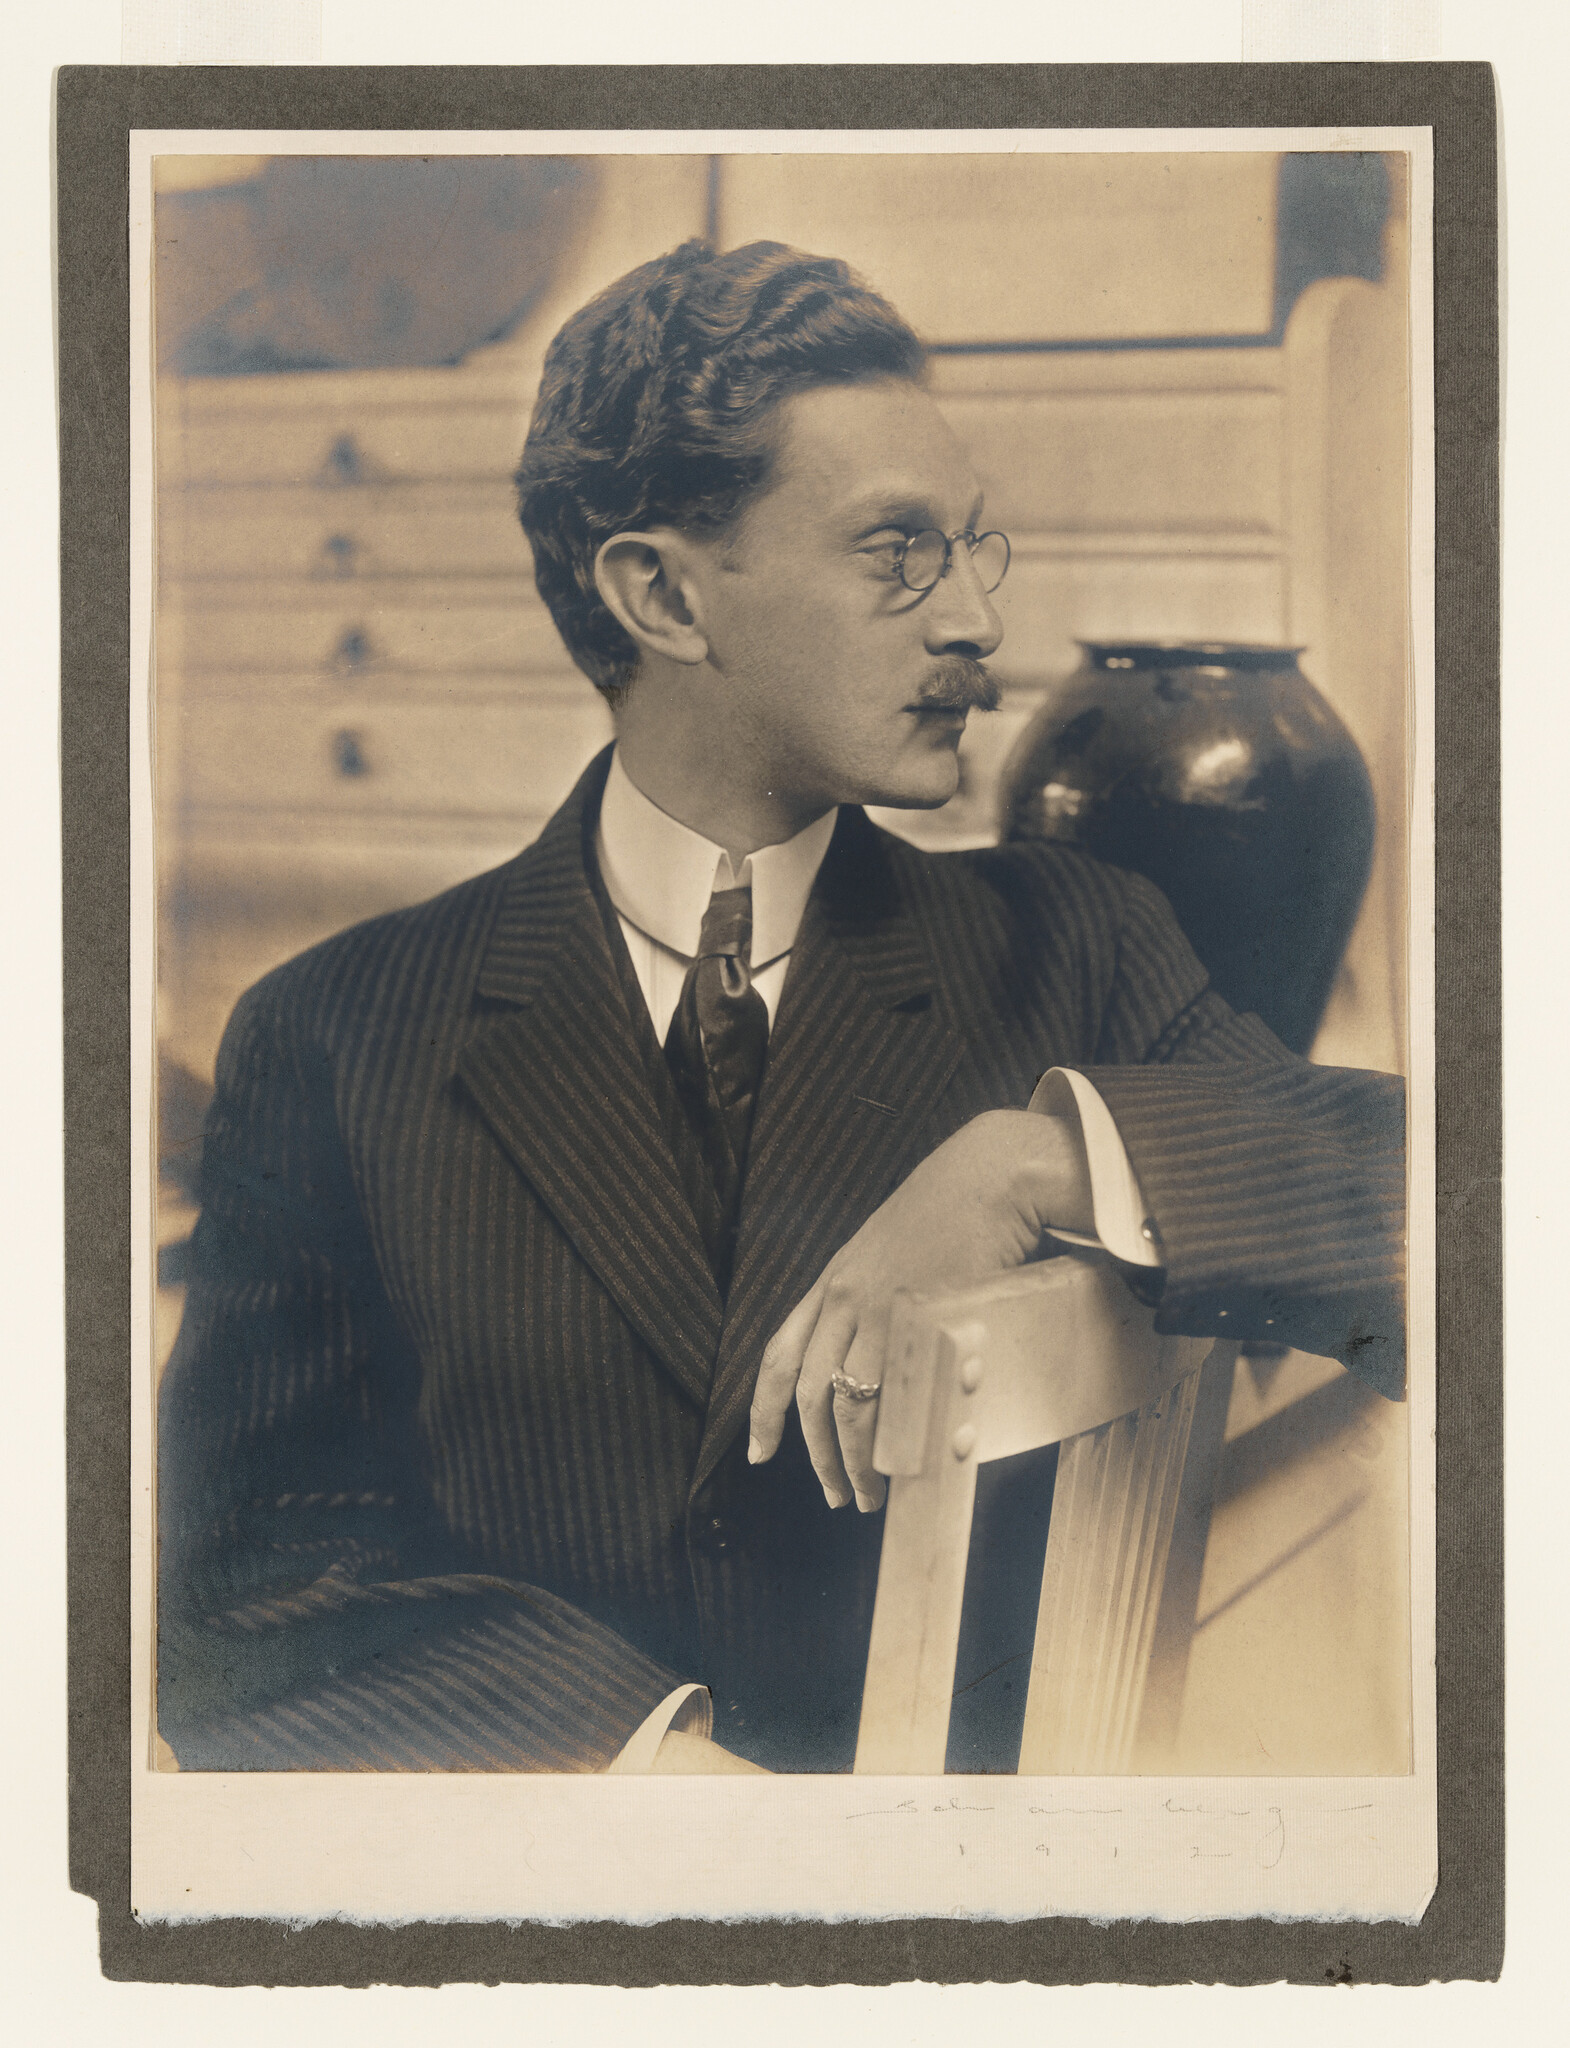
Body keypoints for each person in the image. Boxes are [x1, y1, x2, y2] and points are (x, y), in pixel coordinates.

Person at [157, 240, 1405, 1777]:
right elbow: (245, 1602)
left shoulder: (1073, 945)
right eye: (895, 553)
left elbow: (1463, 1216)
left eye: (970, 549)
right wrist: (642, 1773)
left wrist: (1041, 1161)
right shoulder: (335, 1033)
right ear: (663, 594)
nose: (973, 625)